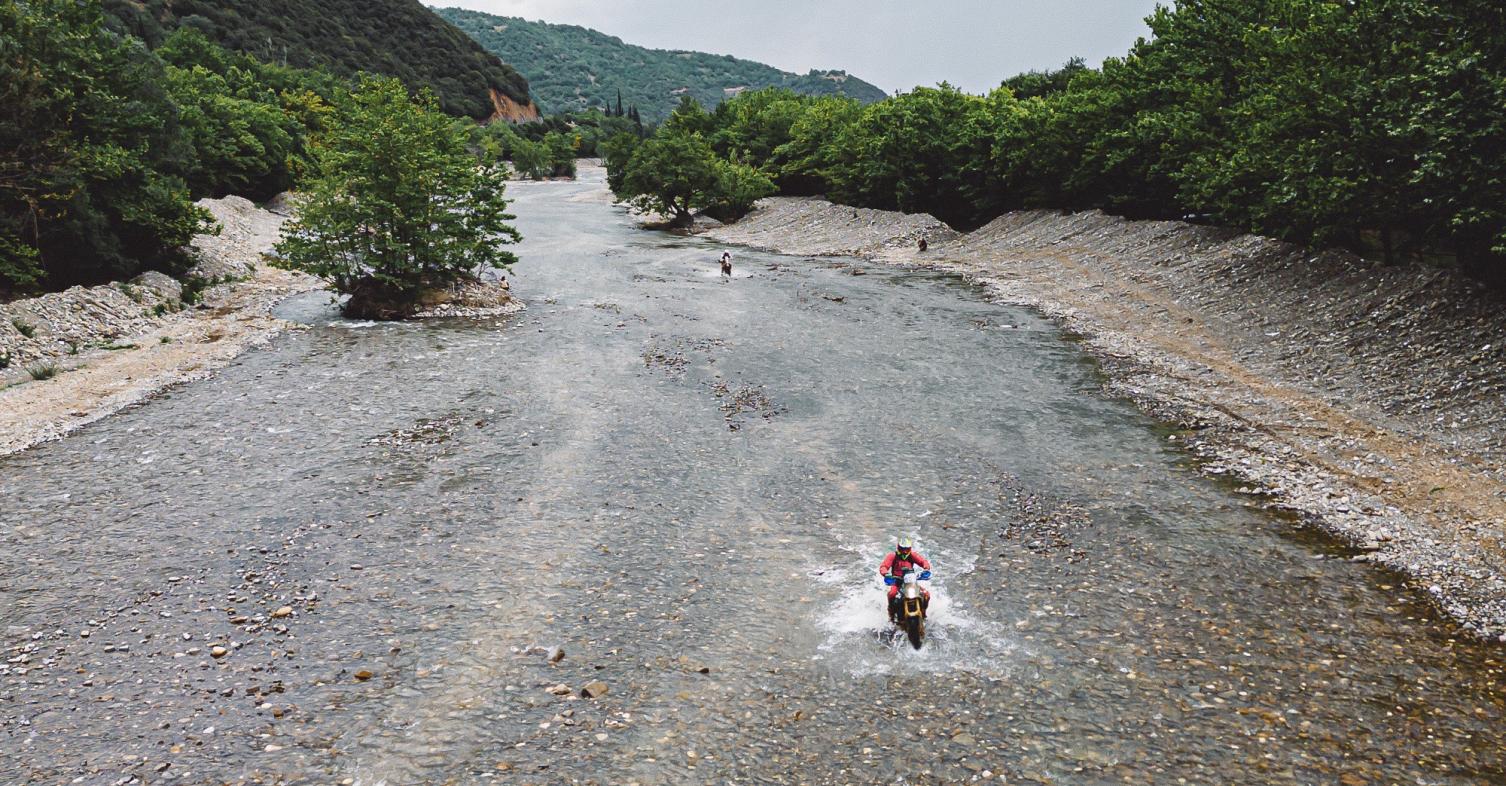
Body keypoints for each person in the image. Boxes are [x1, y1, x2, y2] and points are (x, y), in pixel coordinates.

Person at [879, 536, 931, 623]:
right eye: (902, 549)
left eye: (907, 549)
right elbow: (884, 566)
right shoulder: (892, 556)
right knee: (892, 594)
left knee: (926, 595)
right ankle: (891, 616)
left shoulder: (912, 555)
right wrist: (886, 574)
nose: (905, 551)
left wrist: (926, 568)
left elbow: (923, 561)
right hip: (897, 582)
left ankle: (923, 612)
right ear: (898, 547)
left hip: (911, 582)